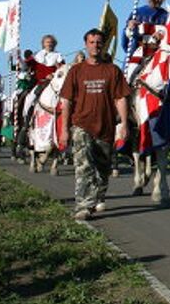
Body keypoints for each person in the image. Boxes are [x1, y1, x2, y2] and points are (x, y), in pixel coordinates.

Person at [60, 28, 130, 220]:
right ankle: (83, 205)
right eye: (91, 42)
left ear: (103, 45)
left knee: (102, 169)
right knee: (84, 166)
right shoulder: (76, 71)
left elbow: (121, 99)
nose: (95, 46)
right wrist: (64, 129)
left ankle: (98, 195)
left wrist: (124, 123)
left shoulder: (113, 70)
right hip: (81, 124)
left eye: (99, 42)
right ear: (86, 44)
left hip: (106, 126)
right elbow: (66, 101)